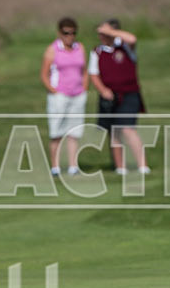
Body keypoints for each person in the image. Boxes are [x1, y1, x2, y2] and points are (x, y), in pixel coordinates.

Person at [88, 18, 149, 174]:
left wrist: (110, 31)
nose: (101, 35)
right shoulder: (98, 51)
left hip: (129, 93)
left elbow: (132, 38)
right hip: (110, 96)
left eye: (105, 32)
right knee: (114, 131)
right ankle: (120, 167)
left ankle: (143, 165)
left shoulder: (125, 47)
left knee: (128, 128)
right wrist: (103, 90)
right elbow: (94, 74)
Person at [40, 17, 88, 176]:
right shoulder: (52, 50)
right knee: (57, 132)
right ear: (59, 33)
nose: (70, 36)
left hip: (77, 95)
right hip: (59, 96)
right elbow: (44, 75)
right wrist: (55, 91)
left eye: (73, 33)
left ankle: (73, 166)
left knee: (74, 132)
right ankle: (55, 167)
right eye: (66, 33)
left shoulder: (79, 47)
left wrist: (84, 88)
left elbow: (84, 71)